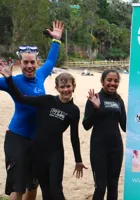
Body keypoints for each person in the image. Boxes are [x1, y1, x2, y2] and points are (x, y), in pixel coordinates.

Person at [0, 63, 87, 200]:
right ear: (57, 88)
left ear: (73, 86)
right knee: (45, 190)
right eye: (62, 87)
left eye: (68, 86)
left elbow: (74, 136)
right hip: (38, 152)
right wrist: (9, 79)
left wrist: (78, 160)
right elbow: (22, 98)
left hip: (56, 153)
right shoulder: (47, 101)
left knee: (56, 190)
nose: (65, 90)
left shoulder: (74, 110)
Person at [0, 20, 64, 200]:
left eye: (32, 62)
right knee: (18, 185)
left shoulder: (41, 75)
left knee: (32, 183)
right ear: (20, 63)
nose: (29, 66)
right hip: (17, 137)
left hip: (36, 140)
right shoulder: (12, 80)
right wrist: (6, 76)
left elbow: (51, 60)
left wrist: (56, 41)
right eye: (26, 62)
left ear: (37, 63)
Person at [82, 69, 127, 200]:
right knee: (100, 187)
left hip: (116, 148)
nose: (112, 83)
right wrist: (96, 109)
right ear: (102, 81)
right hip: (98, 149)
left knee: (113, 187)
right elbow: (86, 125)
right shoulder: (95, 98)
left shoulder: (119, 101)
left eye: (116, 81)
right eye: (109, 80)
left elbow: (125, 127)